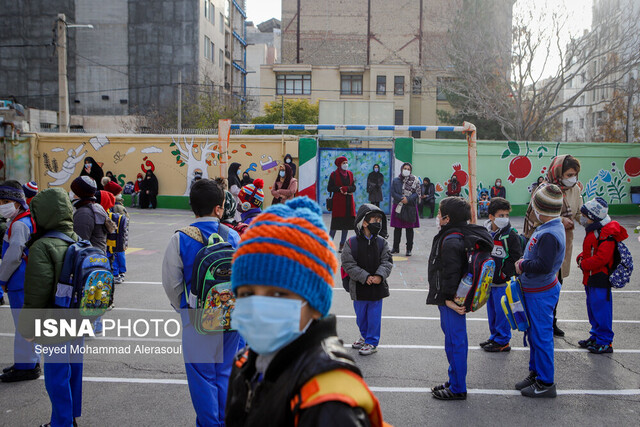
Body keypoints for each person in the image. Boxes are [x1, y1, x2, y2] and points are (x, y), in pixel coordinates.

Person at [226, 197, 387, 426]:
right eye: (246, 293)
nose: (258, 307)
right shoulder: (245, 363)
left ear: (314, 305)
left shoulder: (329, 402)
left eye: (278, 294)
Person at [162, 179, 241, 426]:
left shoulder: (180, 239)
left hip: (197, 317)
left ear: (192, 206)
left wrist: (184, 310)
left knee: (202, 376)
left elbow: (171, 282)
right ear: (219, 208)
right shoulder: (234, 236)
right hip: (231, 316)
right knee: (227, 371)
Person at [18, 188, 84, 427]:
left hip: (54, 322)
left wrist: (27, 329)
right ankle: (69, 418)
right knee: (74, 372)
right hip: (78, 318)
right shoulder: (78, 240)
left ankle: (61, 423)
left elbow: (36, 294)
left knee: (56, 376)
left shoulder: (42, 247)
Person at [427, 197, 493, 400]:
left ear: (447, 218)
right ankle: (454, 379)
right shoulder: (460, 234)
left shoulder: (451, 240)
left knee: (455, 343)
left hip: (453, 302)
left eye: (439, 214)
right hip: (457, 299)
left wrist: (447, 299)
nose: (438, 217)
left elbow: (451, 273)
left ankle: (457, 388)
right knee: (455, 341)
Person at [514, 184, 566, 398]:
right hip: (536, 290)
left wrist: (522, 265)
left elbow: (543, 265)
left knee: (541, 337)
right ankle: (535, 373)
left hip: (541, 292)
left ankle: (545, 382)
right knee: (534, 334)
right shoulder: (548, 227)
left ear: (539, 210)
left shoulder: (549, 234)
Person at [524, 154, 583, 337]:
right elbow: (536, 215)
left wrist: (596, 222)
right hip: (544, 242)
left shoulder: (574, 190)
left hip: (563, 243)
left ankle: (551, 320)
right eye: (569, 174)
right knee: (541, 283)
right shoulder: (544, 189)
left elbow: (580, 212)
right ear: (558, 172)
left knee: (556, 283)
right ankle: (538, 322)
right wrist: (560, 219)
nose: (572, 178)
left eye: (575, 174)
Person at [576, 197, 628, 354]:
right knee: (592, 308)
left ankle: (605, 341)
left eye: (584, 215)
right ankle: (596, 335)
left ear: (592, 217)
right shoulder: (594, 231)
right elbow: (591, 251)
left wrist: (584, 264)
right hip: (591, 277)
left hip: (600, 277)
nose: (582, 218)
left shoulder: (605, 234)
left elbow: (602, 258)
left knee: (601, 309)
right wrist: (581, 257)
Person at [0, 181, 40, 382]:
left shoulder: (18, 225)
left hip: (19, 280)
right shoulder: (25, 219)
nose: (2, 205)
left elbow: (12, 256)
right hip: (27, 278)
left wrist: (2, 279)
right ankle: (29, 362)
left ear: (18, 202)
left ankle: (27, 366)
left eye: (6, 201)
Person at [341, 204, 393, 356]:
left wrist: (379, 276)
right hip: (359, 287)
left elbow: (387, 261)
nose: (378, 222)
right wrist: (365, 277)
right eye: (374, 219)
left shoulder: (383, 242)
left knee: (374, 317)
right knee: (361, 316)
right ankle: (364, 335)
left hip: (377, 287)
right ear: (364, 222)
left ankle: (372, 341)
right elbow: (348, 264)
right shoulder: (351, 243)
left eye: (379, 219)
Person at [480, 197, 523, 353]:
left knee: (502, 312)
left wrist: (505, 273)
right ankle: (494, 336)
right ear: (491, 216)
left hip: (502, 282)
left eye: (506, 215)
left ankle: (503, 340)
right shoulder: (485, 232)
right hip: (489, 281)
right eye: (501, 215)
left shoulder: (511, 235)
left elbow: (515, 256)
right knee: (491, 311)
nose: (504, 218)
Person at [390, 162, 421, 256]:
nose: (406, 170)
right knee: (397, 228)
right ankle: (395, 248)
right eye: (405, 168)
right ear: (401, 169)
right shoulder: (396, 180)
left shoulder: (415, 180)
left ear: (410, 170)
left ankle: (409, 249)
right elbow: (393, 192)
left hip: (410, 206)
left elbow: (417, 193)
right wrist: (401, 199)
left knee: (409, 229)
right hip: (398, 205)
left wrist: (408, 199)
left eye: (408, 169)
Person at [327, 156, 356, 252]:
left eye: (346, 162)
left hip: (348, 201)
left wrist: (346, 189)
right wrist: (339, 189)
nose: (345, 165)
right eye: (343, 163)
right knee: (335, 224)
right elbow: (330, 188)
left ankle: (342, 244)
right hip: (338, 203)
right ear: (339, 164)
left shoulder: (350, 174)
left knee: (346, 225)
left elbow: (353, 187)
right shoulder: (334, 175)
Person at [104, 181, 129, 284]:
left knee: (115, 253)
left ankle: (117, 272)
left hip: (116, 235)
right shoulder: (118, 206)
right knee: (119, 253)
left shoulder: (115, 207)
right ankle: (120, 271)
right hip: (121, 235)